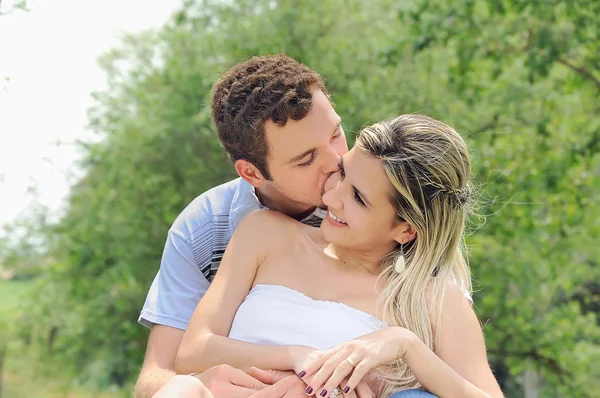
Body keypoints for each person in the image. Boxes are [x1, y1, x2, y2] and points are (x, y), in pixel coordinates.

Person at [174, 115, 505, 398]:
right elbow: (191, 353)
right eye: (343, 172)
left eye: (358, 198)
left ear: (406, 230)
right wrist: (297, 357)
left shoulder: (433, 300)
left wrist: (406, 344)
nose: (332, 197)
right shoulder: (264, 233)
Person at [135, 54, 348, 398]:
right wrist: (199, 384)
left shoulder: (381, 199)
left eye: (337, 134)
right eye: (306, 159)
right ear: (252, 172)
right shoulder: (201, 230)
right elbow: (154, 377)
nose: (336, 162)